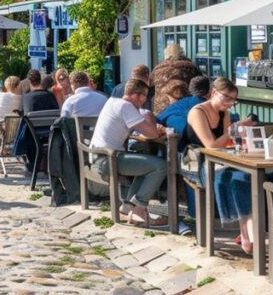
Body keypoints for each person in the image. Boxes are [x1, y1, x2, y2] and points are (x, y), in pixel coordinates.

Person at [182, 77, 254, 253]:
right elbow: (211, 145)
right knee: (226, 178)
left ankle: (247, 232)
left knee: (243, 176)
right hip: (194, 162)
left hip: (219, 160)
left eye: (233, 100)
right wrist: (232, 131)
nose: (230, 103)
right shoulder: (197, 112)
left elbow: (227, 144)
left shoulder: (225, 113)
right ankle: (249, 234)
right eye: (227, 98)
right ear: (214, 92)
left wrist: (240, 139)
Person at [91, 79, 167, 226]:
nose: (145, 100)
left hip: (99, 156)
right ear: (138, 95)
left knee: (146, 168)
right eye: (145, 95)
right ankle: (139, 208)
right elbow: (152, 134)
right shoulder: (126, 106)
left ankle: (127, 208)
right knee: (161, 166)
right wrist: (154, 127)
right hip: (108, 159)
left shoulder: (113, 101)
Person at [151, 44, 201, 114]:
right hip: (186, 110)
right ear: (182, 54)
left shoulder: (157, 70)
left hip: (161, 110)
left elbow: (151, 89)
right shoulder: (192, 68)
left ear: (166, 55)